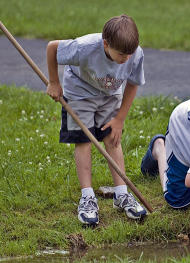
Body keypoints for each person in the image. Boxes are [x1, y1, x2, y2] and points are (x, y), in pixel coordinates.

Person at [46, 14, 147, 225]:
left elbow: (133, 83)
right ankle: (88, 197)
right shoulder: (84, 47)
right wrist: (54, 82)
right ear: (105, 43)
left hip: (110, 95)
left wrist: (120, 119)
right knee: (84, 141)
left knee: (112, 138)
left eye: (130, 54)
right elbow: (52, 48)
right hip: (80, 93)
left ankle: (121, 194)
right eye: (121, 54)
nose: (126, 58)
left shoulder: (134, 53)